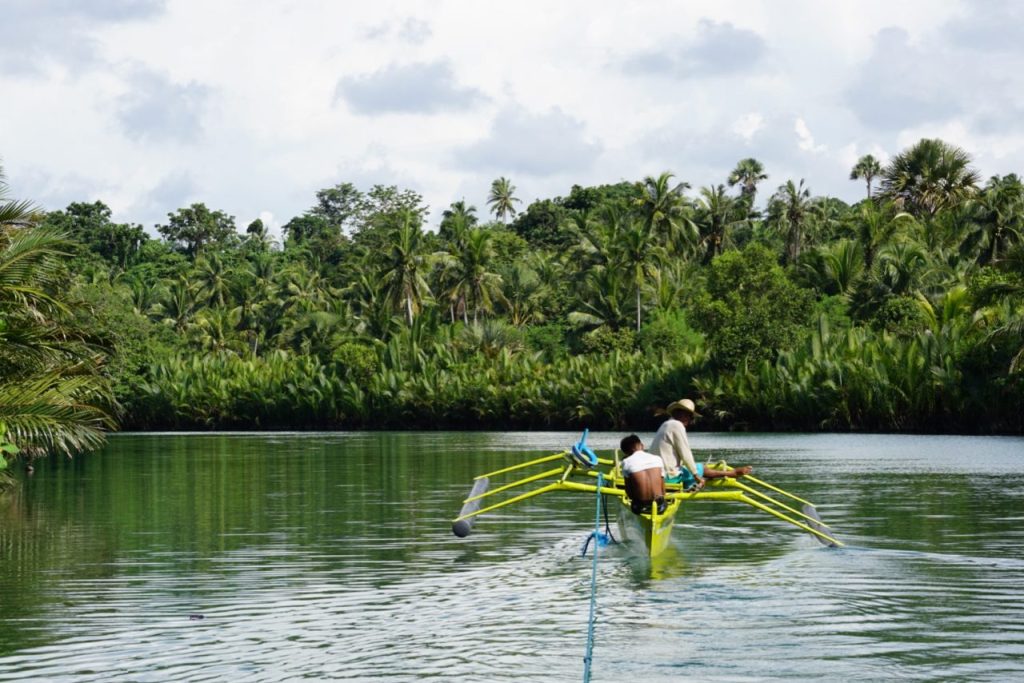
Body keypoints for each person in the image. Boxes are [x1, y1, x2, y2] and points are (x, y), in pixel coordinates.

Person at [649, 398, 751, 492]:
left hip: (655, 474)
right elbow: (685, 454)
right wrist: (696, 475)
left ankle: (702, 479)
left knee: (699, 469)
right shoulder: (677, 425)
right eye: (690, 416)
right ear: (682, 414)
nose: (690, 420)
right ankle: (732, 473)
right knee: (702, 469)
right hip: (668, 477)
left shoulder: (666, 424)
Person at [619, 434, 667, 514]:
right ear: (642, 446)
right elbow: (663, 491)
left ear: (626, 453)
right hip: (659, 505)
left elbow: (629, 493)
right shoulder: (657, 459)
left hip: (641, 506)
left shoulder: (626, 462)